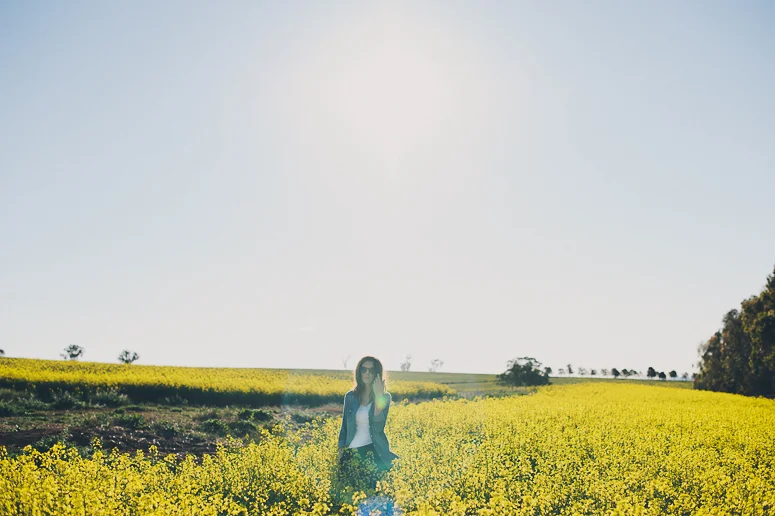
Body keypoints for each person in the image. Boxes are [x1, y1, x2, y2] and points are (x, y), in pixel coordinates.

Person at [337, 356, 399, 489]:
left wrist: (378, 396)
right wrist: (340, 449)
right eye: (363, 369)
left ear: (377, 373)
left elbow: (378, 425)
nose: (367, 373)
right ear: (359, 372)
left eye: (371, 370)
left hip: (373, 450)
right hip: (351, 452)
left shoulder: (385, 397)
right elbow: (345, 426)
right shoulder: (350, 397)